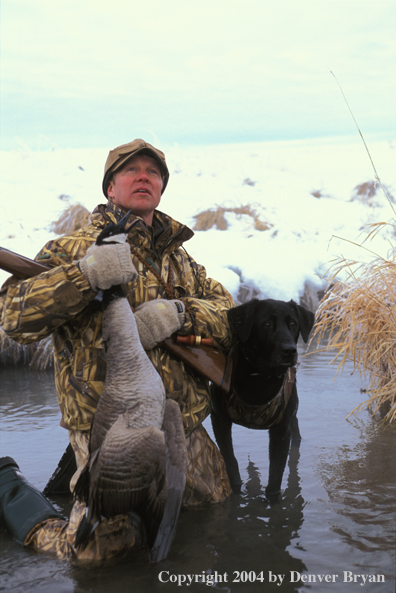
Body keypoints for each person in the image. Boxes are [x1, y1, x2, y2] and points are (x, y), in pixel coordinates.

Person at [0, 139, 234, 560]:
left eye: (154, 172)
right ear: (110, 187)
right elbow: (14, 317)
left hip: (181, 422)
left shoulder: (180, 260)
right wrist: (85, 275)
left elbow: (228, 313)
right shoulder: (72, 249)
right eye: (131, 170)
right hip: (110, 429)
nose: (144, 176)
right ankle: (11, 493)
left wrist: (179, 312)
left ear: (162, 188)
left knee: (216, 514)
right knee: (98, 554)